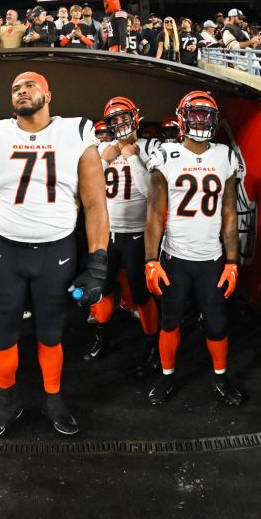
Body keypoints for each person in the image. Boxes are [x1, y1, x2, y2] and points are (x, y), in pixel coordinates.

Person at [0, 71, 110, 437]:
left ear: (48, 94)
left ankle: (53, 401)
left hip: (56, 252)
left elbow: (95, 202)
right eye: (14, 88)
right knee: (4, 335)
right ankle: (6, 402)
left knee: (52, 335)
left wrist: (98, 261)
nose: (21, 91)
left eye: (29, 86)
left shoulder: (76, 131)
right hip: (5, 253)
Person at [143, 91, 246, 407]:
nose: (200, 121)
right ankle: (167, 375)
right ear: (183, 118)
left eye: (206, 115)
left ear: (213, 121)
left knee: (217, 323)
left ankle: (219, 376)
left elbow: (229, 212)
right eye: (195, 114)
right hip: (175, 257)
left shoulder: (224, 156)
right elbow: (154, 214)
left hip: (211, 259)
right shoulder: (165, 155)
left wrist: (232, 261)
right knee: (170, 321)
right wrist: (150, 260)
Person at [87, 96, 161, 370]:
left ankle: (152, 345)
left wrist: (133, 160)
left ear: (135, 118)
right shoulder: (102, 148)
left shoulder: (150, 147)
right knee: (103, 290)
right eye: (114, 120)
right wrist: (102, 162)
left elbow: (151, 193)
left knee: (141, 294)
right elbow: (87, 188)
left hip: (137, 235)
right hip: (108, 233)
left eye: (123, 117)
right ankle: (101, 337)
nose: (119, 123)